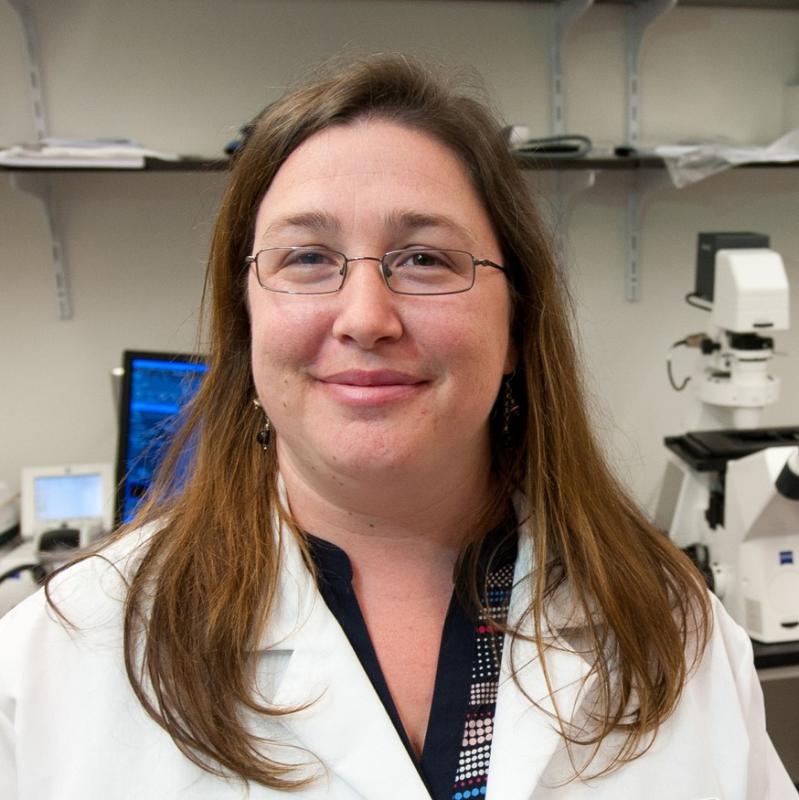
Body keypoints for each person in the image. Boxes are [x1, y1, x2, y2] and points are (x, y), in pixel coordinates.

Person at [0, 55, 795, 800]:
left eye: (424, 259)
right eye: (306, 258)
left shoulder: (674, 629)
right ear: (245, 323)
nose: (365, 317)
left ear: (515, 327)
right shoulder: (64, 654)